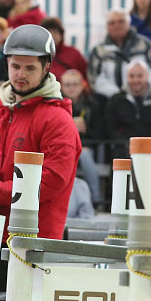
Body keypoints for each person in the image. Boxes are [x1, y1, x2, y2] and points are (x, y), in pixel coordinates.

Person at [0, 24, 80, 242]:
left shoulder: (58, 120)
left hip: (36, 241)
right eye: (15, 66)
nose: (21, 74)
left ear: (46, 67)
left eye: (30, 68)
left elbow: (51, 181)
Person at [105, 59, 151, 160]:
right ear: (126, 78)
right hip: (124, 151)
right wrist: (126, 144)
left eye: (140, 76)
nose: (136, 80)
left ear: (147, 77)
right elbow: (109, 128)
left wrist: (150, 144)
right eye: (132, 76)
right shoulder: (116, 99)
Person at [87, 10, 151, 101]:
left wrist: (142, 89)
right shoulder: (98, 51)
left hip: (145, 98)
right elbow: (94, 79)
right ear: (107, 26)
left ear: (129, 24)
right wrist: (118, 95)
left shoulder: (145, 45)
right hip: (109, 101)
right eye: (112, 23)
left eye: (121, 21)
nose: (117, 25)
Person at [60, 69, 103, 203]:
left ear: (83, 84)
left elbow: (101, 132)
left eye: (75, 84)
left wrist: (86, 129)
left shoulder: (93, 104)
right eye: (67, 85)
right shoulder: (56, 103)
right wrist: (69, 127)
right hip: (62, 146)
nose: (71, 88)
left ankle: (95, 199)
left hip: (86, 145)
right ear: (61, 86)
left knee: (84, 154)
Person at [41, 17, 88, 85]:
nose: (52, 36)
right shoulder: (37, 55)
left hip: (71, 94)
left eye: (55, 32)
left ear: (61, 35)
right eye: (48, 32)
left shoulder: (73, 54)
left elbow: (85, 78)